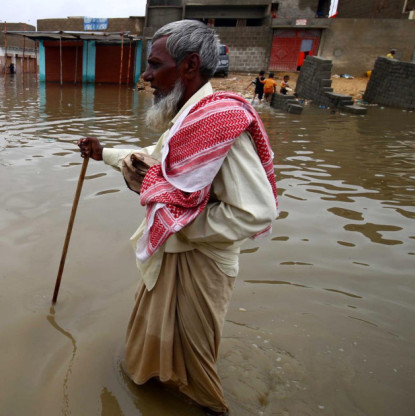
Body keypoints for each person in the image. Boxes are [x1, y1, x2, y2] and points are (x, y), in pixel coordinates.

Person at [77, 20, 277, 416]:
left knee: (197, 377)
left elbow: (257, 212)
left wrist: (180, 227)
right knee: (151, 356)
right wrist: (105, 154)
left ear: (189, 65)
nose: (146, 75)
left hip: (202, 265)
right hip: (174, 255)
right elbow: (156, 159)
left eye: (154, 64)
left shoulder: (219, 122)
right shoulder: (189, 116)